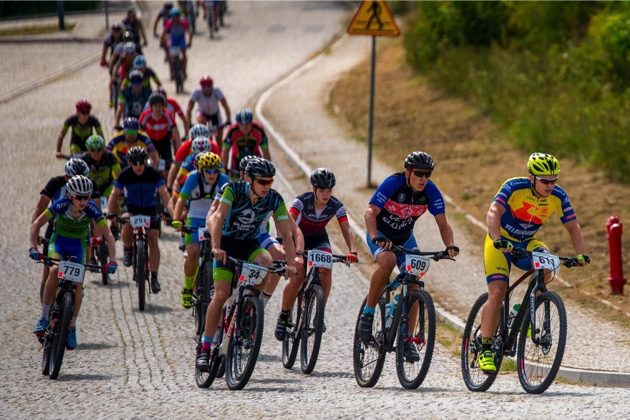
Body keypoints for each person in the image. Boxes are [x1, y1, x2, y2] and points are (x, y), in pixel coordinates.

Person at [477, 152, 588, 373]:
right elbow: (493, 212)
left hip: (527, 242)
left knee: (548, 267)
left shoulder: (558, 196)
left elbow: (573, 226)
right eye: (545, 180)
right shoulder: (514, 186)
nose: (550, 185)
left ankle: (523, 309)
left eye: (554, 180)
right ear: (531, 177)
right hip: (501, 242)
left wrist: (581, 254)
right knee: (498, 291)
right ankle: (485, 348)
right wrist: (498, 239)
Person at [196, 158, 298, 369]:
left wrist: (290, 262)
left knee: (267, 261)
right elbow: (217, 217)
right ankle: (205, 348)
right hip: (227, 243)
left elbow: (286, 233)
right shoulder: (233, 189)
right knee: (222, 294)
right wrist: (216, 247)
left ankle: (249, 307)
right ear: (249, 179)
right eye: (262, 182)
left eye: (270, 181)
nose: (267, 186)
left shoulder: (274, 199)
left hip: (249, 243)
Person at [358, 151, 459, 362]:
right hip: (381, 234)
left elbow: (443, 222)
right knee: (388, 260)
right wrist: (375, 236)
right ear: (408, 172)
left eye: (427, 174)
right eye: (419, 174)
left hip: (404, 238)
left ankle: (407, 339)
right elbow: (370, 212)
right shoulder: (393, 184)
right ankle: (368, 314)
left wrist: (449, 246)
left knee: (415, 280)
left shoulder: (431, 191)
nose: (423, 179)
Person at [30, 175, 117, 350]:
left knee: (78, 286)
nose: (83, 201)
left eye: (86, 197)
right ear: (70, 195)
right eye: (79, 197)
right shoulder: (61, 204)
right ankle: (44, 317)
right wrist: (33, 247)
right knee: (54, 271)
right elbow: (37, 224)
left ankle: (71, 326)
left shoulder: (92, 209)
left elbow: (108, 234)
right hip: (59, 243)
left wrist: (113, 260)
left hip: (78, 246)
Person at [275, 168, 358, 340]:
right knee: (297, 279)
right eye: (322, 190)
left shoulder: (336, 205)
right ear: (314, 189)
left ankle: (319, 313)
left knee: (326, 270)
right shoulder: (301, 202)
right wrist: (291, 250)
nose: (326, 194)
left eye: (329, 190)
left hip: (319, 239)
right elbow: (289, 225)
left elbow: (346, 228)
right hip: (299, 239)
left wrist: (352, 250)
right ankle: (283, 315)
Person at [107, 147, 172, 293]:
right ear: (129, 163)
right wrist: (111, 213)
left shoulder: (153, 174)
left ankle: (154, 277)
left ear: (145, 162)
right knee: (127, 222)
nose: (138, 166)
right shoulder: (124, 175)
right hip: (132, 209)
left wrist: (171, 213)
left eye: (141, 162)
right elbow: (114, 194)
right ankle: (128, 249)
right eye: (135, 163)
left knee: (153, 238)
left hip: (150, 209)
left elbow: (164, 193)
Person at [172, 152, 228, 308]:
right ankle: (188, 288)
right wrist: (177, 220)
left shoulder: (224, 181)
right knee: (193, 251)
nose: (212, 174)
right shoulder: (192, 178)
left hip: (215, 220)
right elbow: (181, 200)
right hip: (195, 219)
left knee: (222, 252)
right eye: (208, 171)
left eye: (215, 170)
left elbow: (233, 203)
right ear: (201, 170)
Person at [31, 159, 90, 302]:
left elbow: (96, 210)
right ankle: (46, 307)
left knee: (86, 253)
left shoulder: (87, 186)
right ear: (66, 176)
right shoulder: (55, 183)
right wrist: (36, 232)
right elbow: (40, 207)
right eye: (71, 178)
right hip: (55, 227)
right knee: (49, 270)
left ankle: (77, 286)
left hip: (78, 229)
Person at [138, 92, 181, 178]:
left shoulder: (167, 115)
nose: (158, 109)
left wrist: (178, 150)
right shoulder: (145, 115)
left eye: (160, 106)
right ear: (151, 107)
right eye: (155, 106)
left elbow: (175, 133)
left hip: (164, 141)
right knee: (149, 164)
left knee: (166, 166)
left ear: (163, 106)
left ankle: (166, 185)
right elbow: (139, 132)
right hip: (151, 141)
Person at [221, 108, 271, 179]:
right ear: (238, 124)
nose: (245, 127)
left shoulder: (259, 130)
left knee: (256, 187)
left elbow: (265, 151)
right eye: (242, 124)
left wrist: (268, 169)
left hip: (255, 161)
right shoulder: (231, 131)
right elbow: (225, 151)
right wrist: (224, 169)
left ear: (251, 122)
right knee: (236, 186)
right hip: (236, 162)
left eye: (247, 123)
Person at [167, 124, 218, 191]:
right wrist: (171, 188)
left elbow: (221, 169)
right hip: (190, 169)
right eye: (196, 140)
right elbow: (175, 166)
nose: (200, 142)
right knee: (174, 167)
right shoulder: (184, 148)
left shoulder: (214, 147)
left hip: (208, 173)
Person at [186, 75, 231, 148]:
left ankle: (219, 154)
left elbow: (225, 105)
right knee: (201, 123)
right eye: (204, 87)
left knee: (219, 138)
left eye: (209, 87)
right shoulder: (196, 92)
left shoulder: (217, 91)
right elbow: (189, 108)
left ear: (211, 86)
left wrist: (228, 119)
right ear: (201, 87)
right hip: (202, 113)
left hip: (215, 114)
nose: (206, 89)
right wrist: (189, 122)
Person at [80, 135, 121, 202]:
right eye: (92, 150)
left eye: (99, 149)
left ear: (103, 149)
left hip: (108, 188)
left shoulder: (110, 156)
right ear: (88, 150)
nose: (96, 153)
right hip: (90, 190)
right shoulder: (83, 160)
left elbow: (119, 176)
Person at [160, 7, 193, 80]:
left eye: (176, 16)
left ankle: (184, 70)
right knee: (170, 55)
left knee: (184, 54)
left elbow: (189, 31)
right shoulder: (169, 23)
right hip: (173, 40)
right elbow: (164, 33)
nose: (175, 19)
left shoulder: (183, 22)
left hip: (181, 39)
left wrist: (190, 41)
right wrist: (162, 42)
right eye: (173, 17)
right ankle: (171, 71)